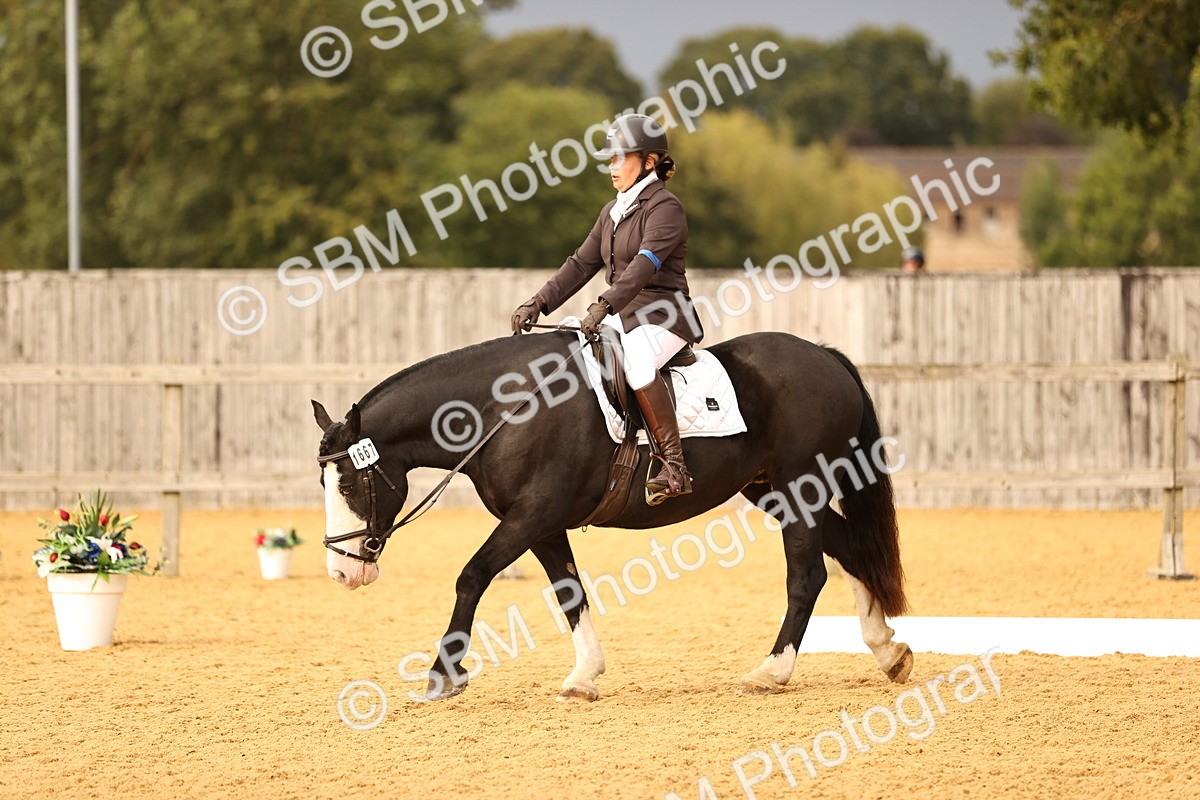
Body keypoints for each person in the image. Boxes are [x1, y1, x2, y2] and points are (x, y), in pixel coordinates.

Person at [510, 113, 702, 504]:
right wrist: (540, 301)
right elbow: (581, 263)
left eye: (619, 158)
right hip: (622, 313)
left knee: (638, 362)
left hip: (664, 315)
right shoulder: (613, 211)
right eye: (609, 159)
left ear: (649, 161)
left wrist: (603, 304)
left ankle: (674, 467)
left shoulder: (665, 208)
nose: (610, 167)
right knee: (567, 345)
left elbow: (643, 265)